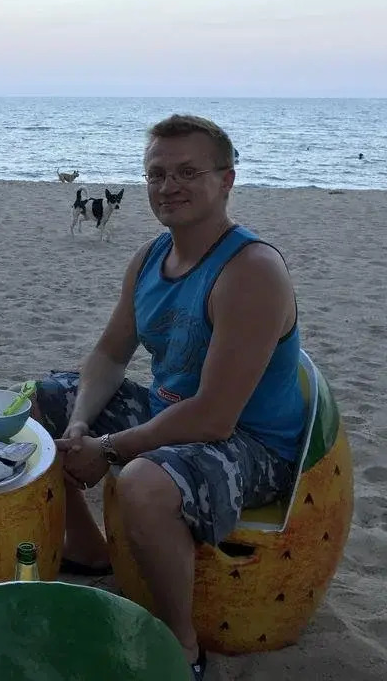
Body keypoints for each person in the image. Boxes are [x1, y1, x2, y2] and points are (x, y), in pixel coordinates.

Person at [31, 114, 305, 680]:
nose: (168, 186)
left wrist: (109, 448)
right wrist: (79, 424)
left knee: (143, 483)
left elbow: (214, 417)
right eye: (156, 174)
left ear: (226, 180)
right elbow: (109, 355)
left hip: (251, 443)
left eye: (187, 172)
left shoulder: (251, 270)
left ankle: (182, 647)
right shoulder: (151, 257)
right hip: (171, 411)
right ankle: (88, 548)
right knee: (41, 403)